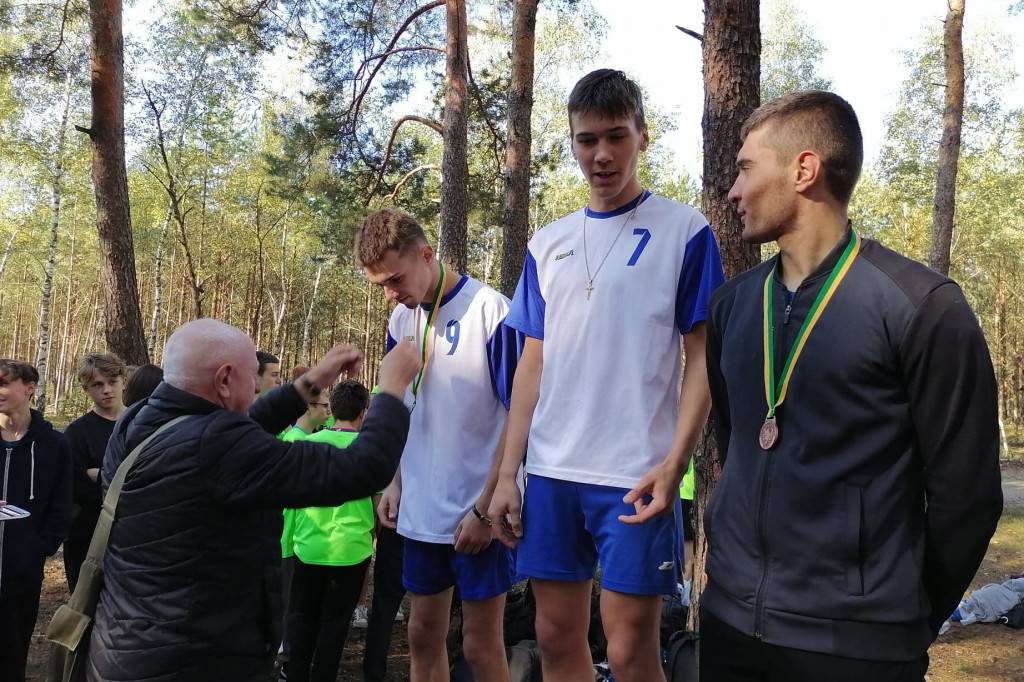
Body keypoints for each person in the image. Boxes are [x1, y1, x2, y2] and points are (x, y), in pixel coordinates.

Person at [700, 90, 1003, 680]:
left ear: (804, 169)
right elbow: (735, 439)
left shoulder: (923, 308)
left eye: (744, 168)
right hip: (730, 627)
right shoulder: (732, 307)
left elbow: (966, 497)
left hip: (859, 650)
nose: (731, 191)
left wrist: (898, 616)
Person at [488, 68, 725, 682]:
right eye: (586, 139)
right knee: (554, 636)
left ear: (642, 136)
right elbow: (531, 364)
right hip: (551, 473)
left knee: (629, 651)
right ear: (571, 142)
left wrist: (677, 464)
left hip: (634, 475)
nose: (602, 154)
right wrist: (510, 473)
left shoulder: (685, 231)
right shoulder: (548, 243)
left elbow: (700, 358)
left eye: (616, 136)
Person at [85, 319, 421, 682]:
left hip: (128, 648)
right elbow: (363, 468)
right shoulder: (215, 445)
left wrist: (308, 385)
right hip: (195, 661)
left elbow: (239, 424)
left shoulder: (141, 419)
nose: (257, 388)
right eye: (253, 379)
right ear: (225, 379)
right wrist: (391, 390)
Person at [354, 208, 522, 682]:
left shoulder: (492, 310)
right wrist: (393, 482)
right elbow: (399, 404)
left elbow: (519, 415)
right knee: (422, 635)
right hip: (420, 510)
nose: (391, 293)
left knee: (480, 642)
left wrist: (486, 510)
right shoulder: (400, 319)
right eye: (381, 285)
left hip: (477, 509)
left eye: (396, 279)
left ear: (427, 254)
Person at [280, 379, 375, 682]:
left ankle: (293, 674)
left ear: (332, 409)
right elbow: (378, 505)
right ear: (363, 412)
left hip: (307, 546)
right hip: (352, 550)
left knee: (302, 616)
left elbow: (290, 501)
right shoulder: (369, 452)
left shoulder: (305, 445)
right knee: (334, 625)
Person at [0, 359, 72, 682]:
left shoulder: (54, 445)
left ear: (29, 388)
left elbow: (62, 504)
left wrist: (38, 546)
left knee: (13, 653)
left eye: (4, 383)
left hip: (22, 572)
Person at [62, 352, 127, 592]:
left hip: (135, 534)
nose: (107, 390)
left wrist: (99, 475)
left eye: (113, 382)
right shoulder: (77, 433)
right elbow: (75, 487)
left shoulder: (141, 424)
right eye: (98, 384)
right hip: (87, 535)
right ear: (86, 389)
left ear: (124, 382)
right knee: (85, 609)